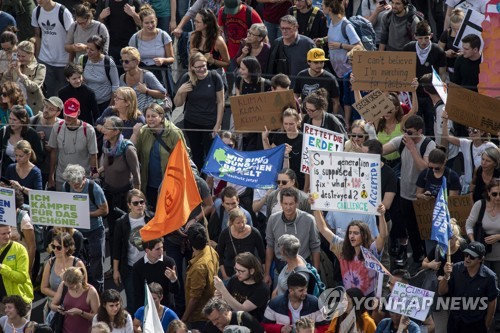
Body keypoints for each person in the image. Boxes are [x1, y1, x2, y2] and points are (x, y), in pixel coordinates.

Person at [382, 115, 436, 265]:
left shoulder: (429, 144)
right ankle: (417, 256)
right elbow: (383, 149)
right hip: (405, 192)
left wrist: (412, 148)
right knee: (410, 227)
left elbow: (423, 168)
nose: (407, 135)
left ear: (420, 131)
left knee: (424, 230)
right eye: (405, 131)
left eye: (410, 132)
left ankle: (427, 256)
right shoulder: (402, 140)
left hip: (422, 196)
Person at [313, 204, 387, 295]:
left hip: (369, 298)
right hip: (349, 299)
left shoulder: (372, 250)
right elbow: (323, 229)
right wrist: (315, 206)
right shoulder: (342, 248)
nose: (352, 236)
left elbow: (383, 236)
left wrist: (382, 215)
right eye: (350, 233)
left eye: (356, 233)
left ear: (364, 235)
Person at [99, 117, 141, 264]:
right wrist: (99, 171)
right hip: (109, 194)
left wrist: (135, 202)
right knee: (112, 231)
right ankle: (113, 266)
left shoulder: (128, 149)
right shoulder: (106, 145)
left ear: (116, 131)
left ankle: (128, 264)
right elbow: (108, 165)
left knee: (124, 232)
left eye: (107, 127)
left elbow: (136, 176)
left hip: (124, 197)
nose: (103, 129)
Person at [62, 164, 108, 293]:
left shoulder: (94, 188)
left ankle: (98, 294)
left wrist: (86, 214)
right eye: (72, 184)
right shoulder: (66, 187)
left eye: (78, 184)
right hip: (76, 232)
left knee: (96, 265)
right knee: (77, 263)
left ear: (84, 178)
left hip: (95, 231)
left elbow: (104, 210)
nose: (75, 186)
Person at [174, 52, 224, 171]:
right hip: (192, 121)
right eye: (198, 67)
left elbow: (221, 102)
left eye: (203, 65)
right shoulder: (187, 78)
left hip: (210, 123)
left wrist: (218, 124)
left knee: (211, 154)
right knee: (196, 154)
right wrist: (180, 91)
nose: (202, 69)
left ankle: (210, 179)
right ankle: (199, 179)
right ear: (192, 67)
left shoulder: (214, 77)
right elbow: (178, 103)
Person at [133, 102, 187, 209]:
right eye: (147, 116)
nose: (150, 119)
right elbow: (134, 152)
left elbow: (184, 156)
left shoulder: (174, 133)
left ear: (161, 116)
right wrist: (135, 134)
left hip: (168, 183)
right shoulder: (144, 131)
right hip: (148, 183)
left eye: (153, 116)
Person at [264, 187, 320, 286]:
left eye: (291, 204)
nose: (288, 207)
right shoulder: (273, 219)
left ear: (297, 203)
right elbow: (270, 246)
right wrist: (267, 273)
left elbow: (315, 247)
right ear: (281, 203)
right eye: (285, 204)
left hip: (302, 268)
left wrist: (315, 274)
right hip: (280, 266)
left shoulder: (309, 220)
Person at [439, 242, 498, 333]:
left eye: (472, 257)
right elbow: (441, 292)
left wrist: (487, 322)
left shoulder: (490, 277)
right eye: (466, 254)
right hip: (455, 322)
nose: (467, 258)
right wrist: (446, 276)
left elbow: (492, 301)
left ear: (481, 259)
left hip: (476, 324)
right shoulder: (455, 268)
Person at [423, 219, 465, 333]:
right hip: (440, 293)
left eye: (451, 238)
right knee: (441, 328)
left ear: (457, 238)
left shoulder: (463, 249)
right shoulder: (439, 248)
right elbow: (424, 263)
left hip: (458, 293)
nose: (447, 241)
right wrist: (431, 264)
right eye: (445, 238)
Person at [47, 98, 99, 191]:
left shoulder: (88, 130)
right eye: (66, 114)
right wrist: (51, 175)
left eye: (71, 115)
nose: (67, 118)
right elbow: (53, 152)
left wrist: (93, 177)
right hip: (62, 177)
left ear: (78, 113)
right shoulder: (57, 127)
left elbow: (93, 155)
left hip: (82, 179)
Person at [441, 111, 497, 194]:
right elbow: (447, 137)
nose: (471, 133)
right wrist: (445, 120)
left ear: (482, 132)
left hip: (484, 184)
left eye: (474, 130)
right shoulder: (466, 143)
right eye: (469, 130)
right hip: (469, 185)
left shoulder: (489, 146)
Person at [112, 189, 150, 312]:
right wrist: (116, 270)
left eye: (142, 202)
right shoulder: (121, 223)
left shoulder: (151, 219)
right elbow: (116, 248)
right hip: (130, 267)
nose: (139, 205)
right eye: (135, 203)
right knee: (133, 301)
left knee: (150, 299)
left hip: (149, 264)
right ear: (129, 205)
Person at [129, 4, 175, 95]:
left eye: (152, 22)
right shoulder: (135, 38)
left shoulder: (163, 35)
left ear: (156, 21)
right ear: (141, 23)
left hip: (160, 74)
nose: (150, 25)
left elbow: (171, 58)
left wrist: (163, 60)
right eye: (146, 23)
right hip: (143, 76)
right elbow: (131, 59)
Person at [41, 232, 86, 322]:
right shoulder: (50, 263)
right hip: (53, 308)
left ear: (68, 248)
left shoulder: (77, 263)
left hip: (73, 309)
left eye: (59, 247)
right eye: (53, 247)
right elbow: (43, 288)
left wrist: (67, 280)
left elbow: (84, 287)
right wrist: (58, 296)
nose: (55, 250)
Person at [31, 0, 74, 96]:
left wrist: (70, 62)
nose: (39, 0)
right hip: (45, 60)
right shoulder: (36, 11)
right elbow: (37, 35)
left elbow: (72, 38)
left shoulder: (63, 12)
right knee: (50, 94)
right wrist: (37, 58)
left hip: (63, 62)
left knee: (63, 94)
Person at [262, 273, 329, 332]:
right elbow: (265, 326)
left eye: (305, 288)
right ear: (291, 291)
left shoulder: (316, 303)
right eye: (301, 290)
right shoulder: (275, 304)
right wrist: (280, 329)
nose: (305, 293)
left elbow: (326, 327)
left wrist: (311, 331)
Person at [181, 223, 219, 329]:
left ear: (189, 242)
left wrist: (184, 319)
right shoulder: (211, 250)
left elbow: (195, 297)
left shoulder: (198, 267)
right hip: (212, 309)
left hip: (199, 317)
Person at [214, 252, 270, 321]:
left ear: (252, 271)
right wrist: (219, 296)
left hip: (250, 324)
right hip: (231, 319)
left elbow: (242, 310)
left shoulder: (262, 289)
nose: (237, 274)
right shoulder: (235, 279)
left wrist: (223, 290)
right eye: (236, 270)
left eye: (241, 271)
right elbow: (226, 302)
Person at [132, 238, 179, 314]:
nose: (161, 251)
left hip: (166, 309)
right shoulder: (138, 267)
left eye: (162, 247)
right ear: (147, 250)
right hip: (149, 310)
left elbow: (176, 291)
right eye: (157, 249)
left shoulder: (169, 263)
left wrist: (173, 280)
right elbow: (138, 295)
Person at [216, 208, 265, 280]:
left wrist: (264, 274)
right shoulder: (225, 233)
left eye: (243, 221)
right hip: (230, 274)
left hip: (249, 275)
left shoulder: (254, 233)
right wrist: (225, 276)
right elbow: (219, 256)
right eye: (238, 223)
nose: (242, 225)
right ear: (232, 223)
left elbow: (262, 256)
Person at [262, 110, 305, 190]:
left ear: (297, 122)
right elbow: (270, 155)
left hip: (300, 183)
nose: (288, 127)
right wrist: (265, 139)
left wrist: (306, 189)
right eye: (286, 124)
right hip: (283, 183)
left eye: (291, 124)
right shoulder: (279, 136)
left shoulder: (303, 138)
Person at [49, 267, 100, 333]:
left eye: (71, 287)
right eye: (67, 286)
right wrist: (58, 308)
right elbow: (52, 305)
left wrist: (80, 312)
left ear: (79, 281)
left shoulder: (91, 292)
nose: (69, 289)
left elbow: (97, 317)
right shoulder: (63, 285)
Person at [266, 15, 314, 83]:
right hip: (283, 88)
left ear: (296, 27)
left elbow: (316, 67)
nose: (284, 31)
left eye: (288, 28)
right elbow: (270, 69)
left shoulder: (308, 44)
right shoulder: (276, 43)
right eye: (282, 28)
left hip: (303, 86)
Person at [119, 46, 168, 113]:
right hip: (132, 115)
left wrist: (147, 91)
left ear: (136, 61)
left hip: (148, 115)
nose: (123, 64)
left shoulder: (147, 75)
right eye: (122, 61)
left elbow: (163, 94)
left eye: (126, 61)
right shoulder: (122, 78)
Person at [321, 0, 362, 78]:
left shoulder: (346, 25)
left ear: (329, 9)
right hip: (337, 70)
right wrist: (323, 40)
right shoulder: (332, 22)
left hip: (348, 73)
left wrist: (340, 45)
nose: (321, 7)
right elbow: (335, 36)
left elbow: (359, 47)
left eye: (323, 5)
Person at [79, 35, 120, 113]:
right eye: (87, 48)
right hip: (88, 103)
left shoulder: (108, 63)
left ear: (100, 50)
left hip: (105, 103)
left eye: (92, 50)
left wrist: (110, 107)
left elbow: (115, 86)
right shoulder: (82, 59)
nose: (88, 52)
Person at [2, 39, 45, 112]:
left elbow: (33, 87)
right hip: (16, 105)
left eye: (23, 56)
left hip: (33, 107)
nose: (20, 59)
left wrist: (19, 74)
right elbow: (3, 84)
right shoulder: (15, 66)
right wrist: (9, 70)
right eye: (18, 56)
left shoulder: (40, 67)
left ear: (31, 55)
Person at [0, 105, 44, 176]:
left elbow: (39, 157)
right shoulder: (3, 131)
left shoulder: (32, 134)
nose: (11, 122)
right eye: (10, 118)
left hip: (25, 175)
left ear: (22, 121)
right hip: (6, 174)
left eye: (14, 120)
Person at [294, 48, 340, 114]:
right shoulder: (301, 75)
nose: (319, 65)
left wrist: (333, 118)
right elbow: (295, 95)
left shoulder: (330, 78)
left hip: (324, 117)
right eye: (316, 62)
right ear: (308, 62)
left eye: (321, 62)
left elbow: (336, 102)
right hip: (306, 116)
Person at [0, 224, 33, 315]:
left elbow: (22, 277)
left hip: (18, 304)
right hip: (1, 304)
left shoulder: (19, 250)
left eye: (9, 232)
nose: (7, 236)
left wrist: (2, 268)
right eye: (3, 234)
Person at [30, 96, 63, 187]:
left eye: (51, 109)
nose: (46, 110)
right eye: (46, 107)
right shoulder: (33, 121)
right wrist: (35, 137)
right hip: (35, 168)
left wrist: (54, 147)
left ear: (58, 113)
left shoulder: (62, 126)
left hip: (54, 171)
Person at [189, 9, 230, 75]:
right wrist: (192, 55)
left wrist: (213, 61)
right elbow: (191, 59)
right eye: (195, 21)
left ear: (206, 24)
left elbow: (227, 63)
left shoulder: (218, 41)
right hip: (198, 73)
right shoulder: (194, 36)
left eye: (198, 22)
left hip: (214, 75)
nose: (194, 23)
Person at [438, 8, 464, 82]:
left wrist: (464, 53)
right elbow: (438, 50)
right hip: (450, 69)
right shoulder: (447, 33)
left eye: (458, 29)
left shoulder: (469, 34)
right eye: (453, 28)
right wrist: (445, 53)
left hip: (463, 68)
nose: (456, 31)